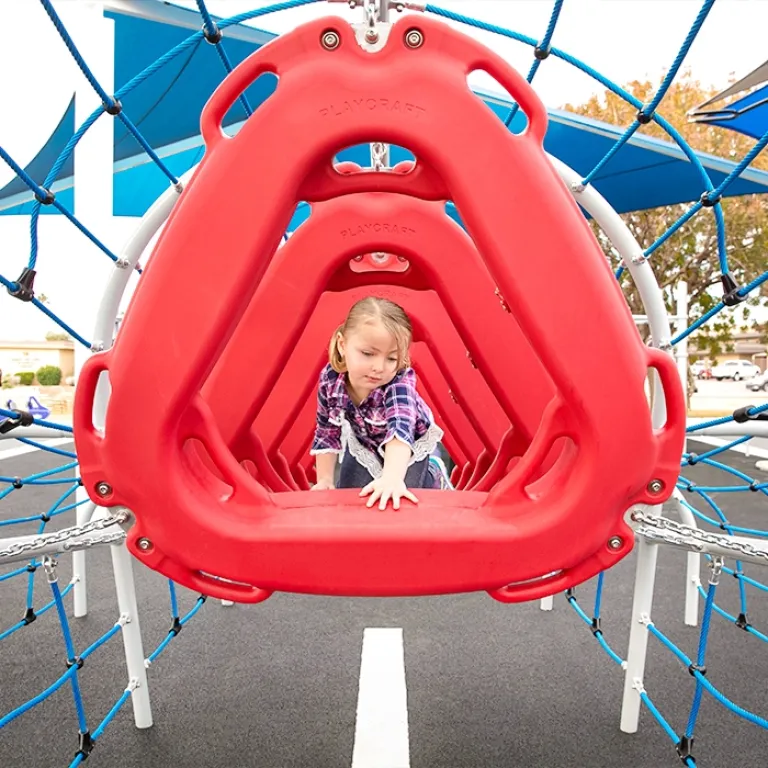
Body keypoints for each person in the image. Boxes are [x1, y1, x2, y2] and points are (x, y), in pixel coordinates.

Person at [310, 296, 450, 509]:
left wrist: (392, 479)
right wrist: (324, 481)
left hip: (407, 447)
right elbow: (327, 431)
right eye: (368, 354)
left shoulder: (398, 383)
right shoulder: (331, 380)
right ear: (342, 345)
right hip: (364, 443)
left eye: (391, 358)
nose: (379, 367)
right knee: (349, 500)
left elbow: (400, 431)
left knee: (398, 502)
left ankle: (432, 474)